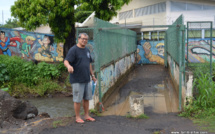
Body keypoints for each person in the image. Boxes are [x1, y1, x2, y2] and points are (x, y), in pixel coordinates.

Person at [64, 33, 97, 124]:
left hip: (86, 78)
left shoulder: (86, 50)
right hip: (77, 79)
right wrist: (69, 67)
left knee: (87, 98)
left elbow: (89, 64)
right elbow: (66, 61)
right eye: (83, 39)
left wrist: (92, 76)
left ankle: (86, 115)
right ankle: (78, 117)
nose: (84, 40)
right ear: (78, 39)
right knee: (77, 99)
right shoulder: (74, 50)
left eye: (86, 39)